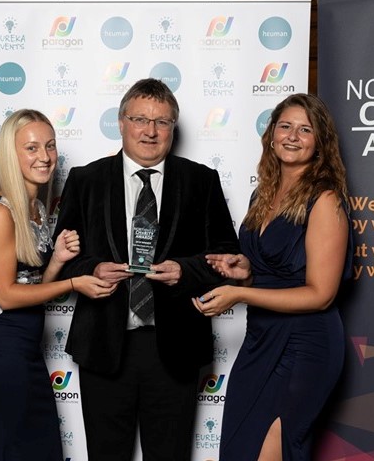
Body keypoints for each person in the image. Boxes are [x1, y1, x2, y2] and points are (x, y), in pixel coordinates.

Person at [51, 78, 239, 460]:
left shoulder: (201, 180)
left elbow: (226, 256)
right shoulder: (85, 180)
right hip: (103, 342)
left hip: (174, 345)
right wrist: (96, 268)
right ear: (121, 122)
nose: (150, 131)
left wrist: (184, 272)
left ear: (173, 128)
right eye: (140, 119)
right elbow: (63, 253)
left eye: (162, 122)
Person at [196, 93, 354, 461]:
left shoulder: (325, 199)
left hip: (305, 346)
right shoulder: (262, 194)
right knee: (238, 448)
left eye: (305, 130)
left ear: (320, 143)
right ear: (271, 134)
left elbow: (320, 295)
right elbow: (270, 274)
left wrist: (241, 296)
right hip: (260, 339)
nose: (293, 136)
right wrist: (244, 274)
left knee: (272, 451)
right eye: (285, 126)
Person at [0, 109, 116, 461]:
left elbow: (30, 288)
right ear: (10, 154)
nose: (44, 156)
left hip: (24, 353)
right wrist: (74, 282)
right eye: (31, 148)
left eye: (50, 146)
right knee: (7, 452)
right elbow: (7, 296)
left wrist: (58, 260)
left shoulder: (37, 211)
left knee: (39, 451)